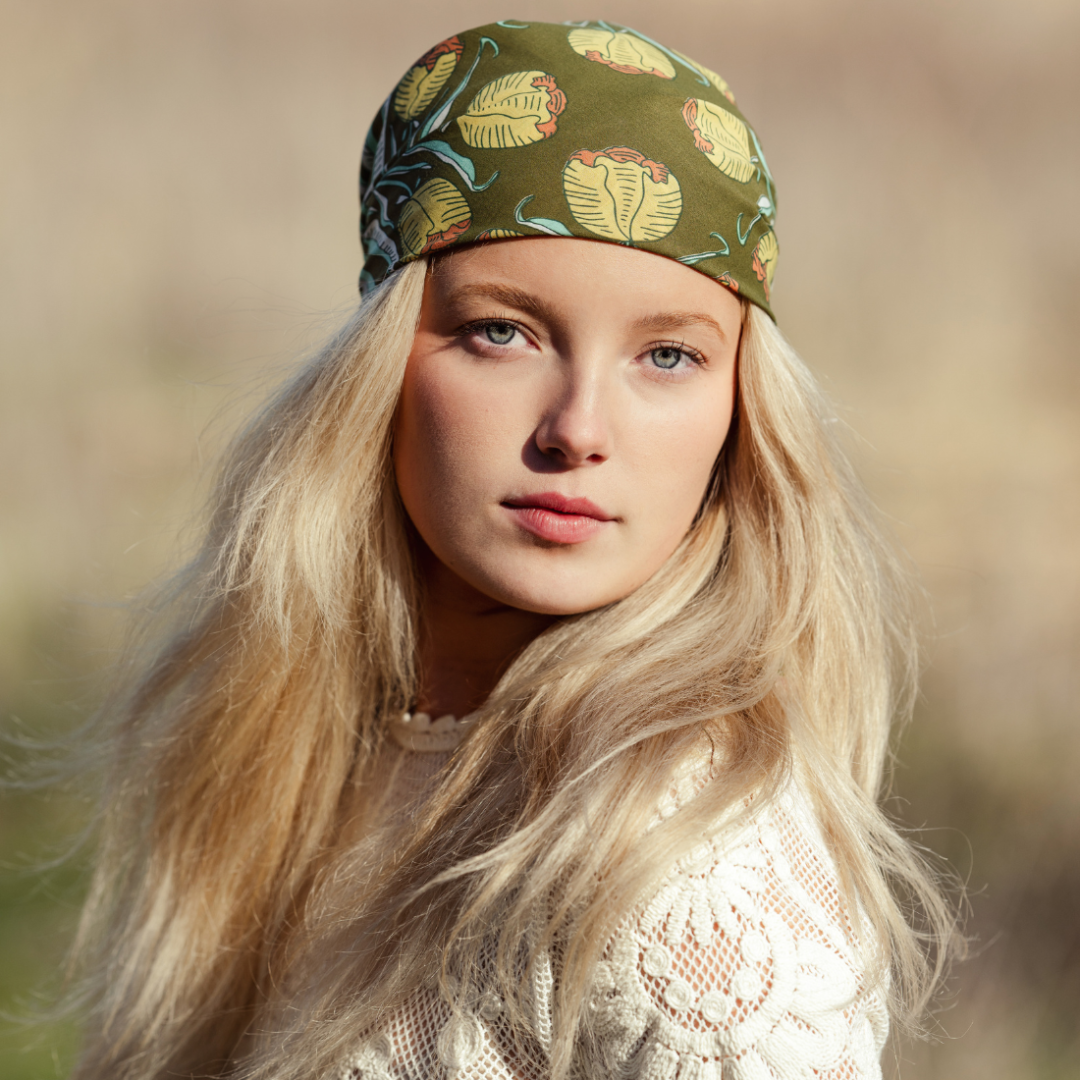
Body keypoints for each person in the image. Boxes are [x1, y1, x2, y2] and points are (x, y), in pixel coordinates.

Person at [69, 20, 954, 1080]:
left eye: (667, 355)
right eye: (505, 332)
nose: (579, 428)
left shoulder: (689, 883)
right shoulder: (315, 746)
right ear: (381, 364)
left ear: (739, 414)